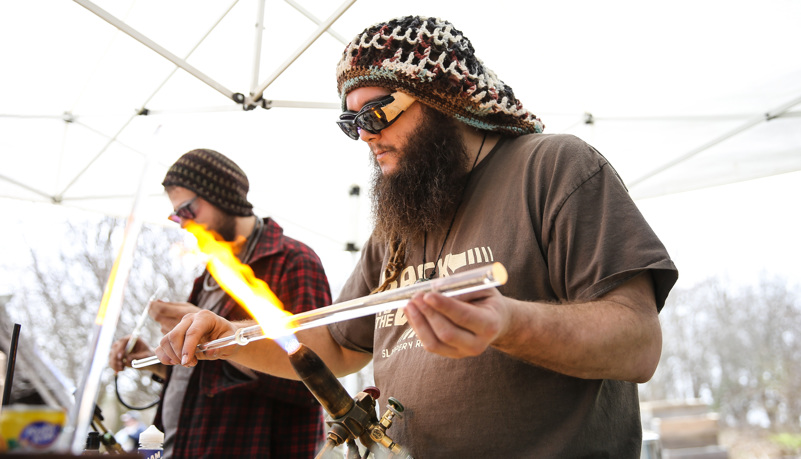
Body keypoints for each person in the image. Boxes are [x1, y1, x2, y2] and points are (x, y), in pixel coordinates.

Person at [152, 16, 679, 458]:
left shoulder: (553, 168)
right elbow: (337, 345)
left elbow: (638, 342)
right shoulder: (400, 220)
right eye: (349, 121)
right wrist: (232, 337)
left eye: (376, 111)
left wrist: (507, 321)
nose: (364, 134)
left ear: (440, 96)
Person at [109, 149, 331, 458]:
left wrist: (221, 336)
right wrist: (159, 361)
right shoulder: (209, 275)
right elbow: (210, 373)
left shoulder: (293, 262)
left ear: (223, 195)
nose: (183, 224)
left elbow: (315, 381)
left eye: (187, 210)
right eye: (176, 216)